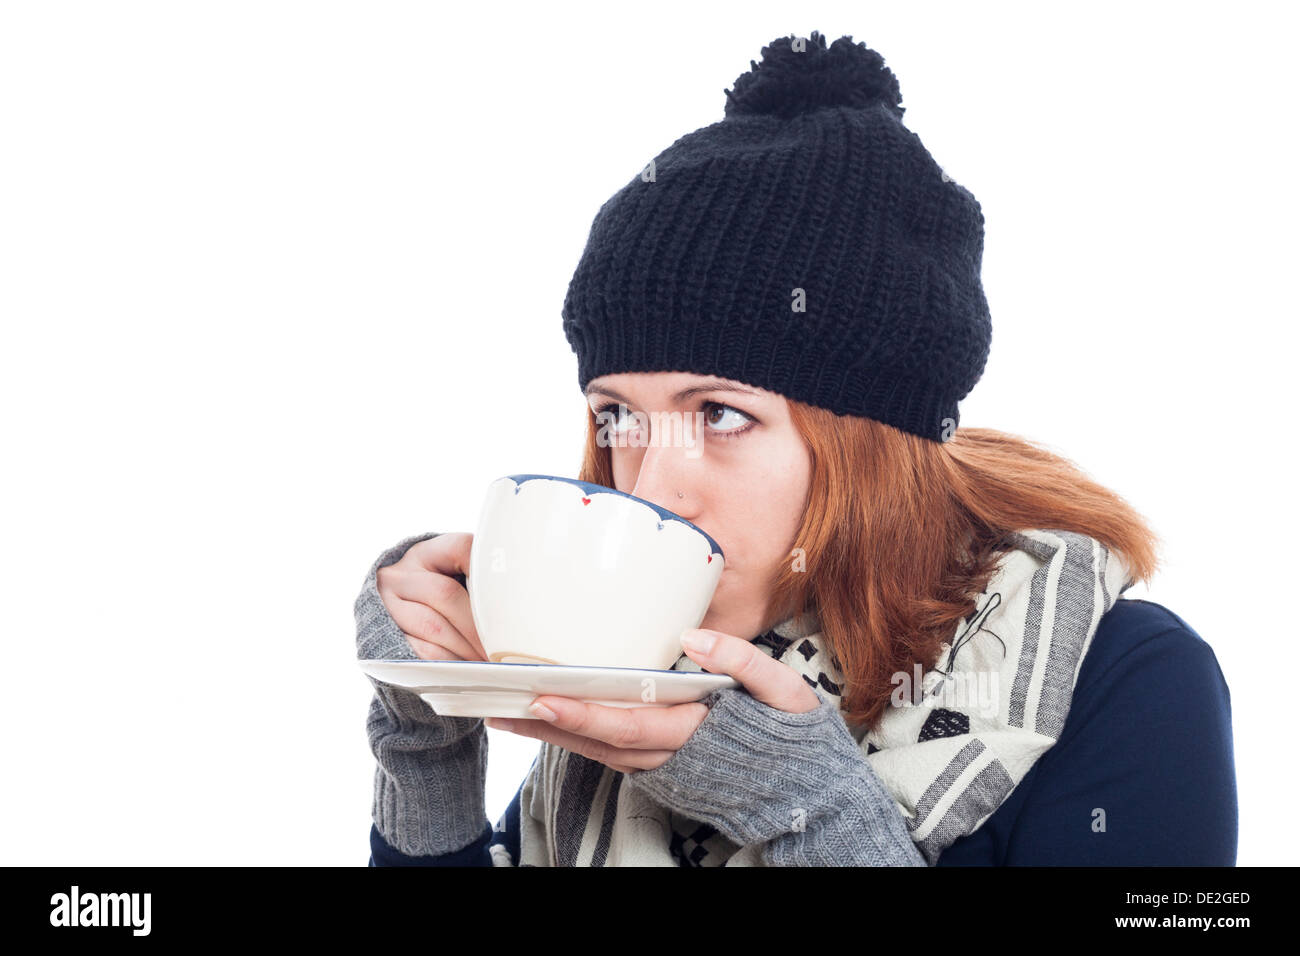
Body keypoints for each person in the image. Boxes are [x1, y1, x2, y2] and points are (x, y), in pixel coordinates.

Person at [357, 31, 1237, 866]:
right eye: (619, 417)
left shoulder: (1135, 683)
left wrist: (806, 807)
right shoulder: (646, 680)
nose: (652, 488)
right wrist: (423, 743)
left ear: (872, 443)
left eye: (721, 415)